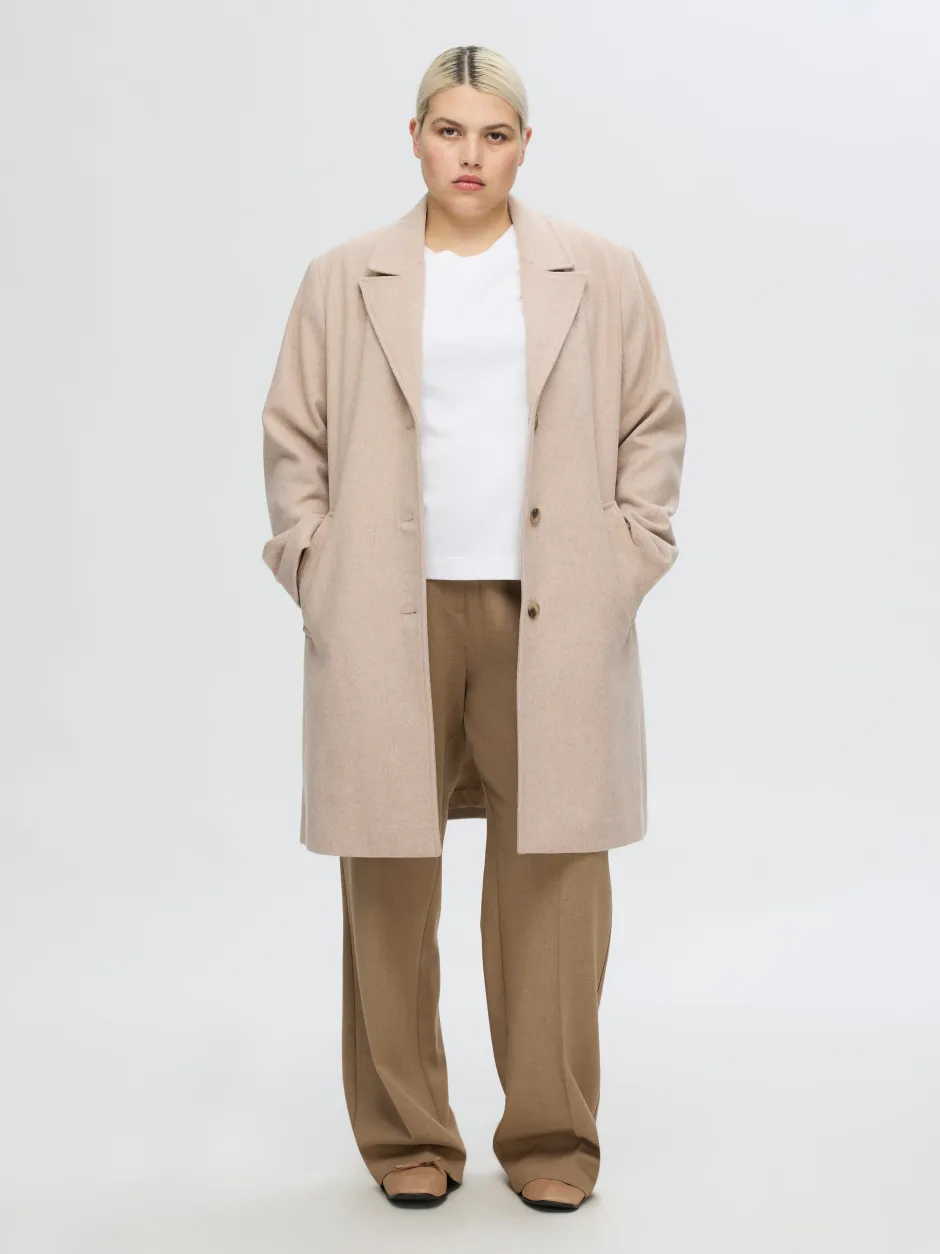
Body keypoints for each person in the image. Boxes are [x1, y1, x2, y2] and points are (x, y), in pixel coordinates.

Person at [260, 45, 686, 1212]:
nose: (470, 155)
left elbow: (651, 423)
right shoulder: (343, 277)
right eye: (449, 131)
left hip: (548, 609)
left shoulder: (599, 272)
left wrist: (628, 557)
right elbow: (293, 436)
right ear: (414, 139)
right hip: (385, 612)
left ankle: (551, 1136)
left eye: (493, 135)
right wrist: (314, 562)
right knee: (387, 879)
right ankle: (407, 1132)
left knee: (554, 879)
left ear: (523, 147)